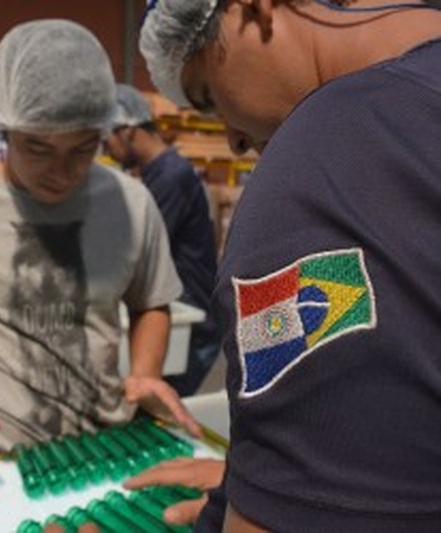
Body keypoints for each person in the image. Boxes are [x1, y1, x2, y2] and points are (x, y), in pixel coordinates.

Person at [139, 0, 441, 531]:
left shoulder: (324, 160)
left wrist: (283, 496)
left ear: (248, 8)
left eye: (209, 93)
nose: (232, 140)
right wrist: (263, 475)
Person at [0, 19, 201, 492]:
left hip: (105, 453)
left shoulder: (130, 203)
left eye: (82, 148)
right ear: (2, 127)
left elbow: (150, 301)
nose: (61, 172)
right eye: (37, 148)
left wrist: (144, 373)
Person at [106, 83, 221, 397]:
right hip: (183, 310)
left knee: (159, 413)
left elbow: (136, 250)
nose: (107, 152)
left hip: (191, 316)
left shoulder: (172, 176)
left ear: (127, 130)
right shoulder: (158, 173)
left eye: (108, 141)